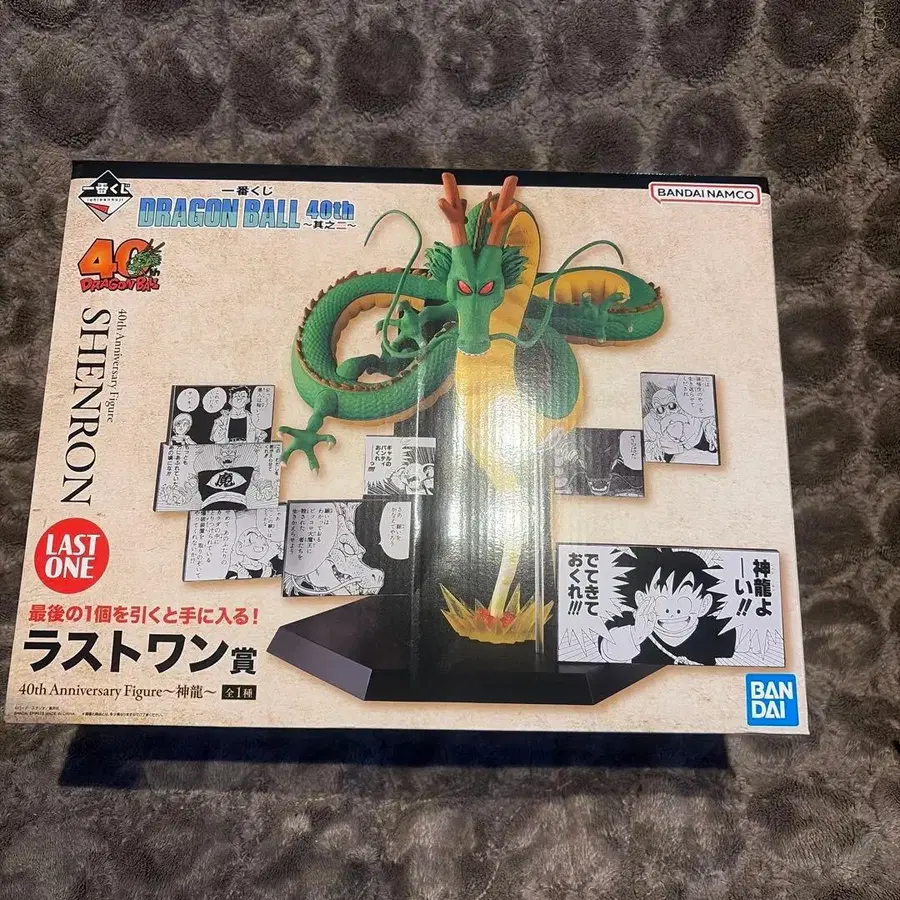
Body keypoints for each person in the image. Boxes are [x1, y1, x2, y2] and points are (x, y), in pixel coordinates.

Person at [598, 546, 736, 665]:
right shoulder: (632, 623)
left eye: (684, 601)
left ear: (704, 604)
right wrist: (636, 633)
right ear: (641, 599)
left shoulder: (715, 629)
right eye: (662, 600)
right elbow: (608, 650)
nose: (672, 611)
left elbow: (741, 646)